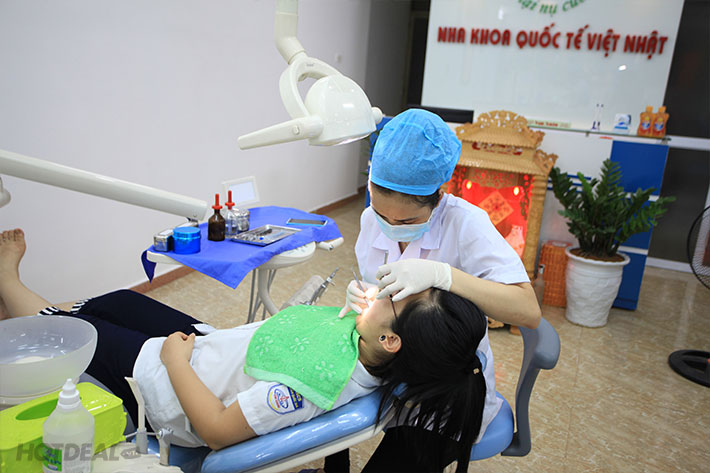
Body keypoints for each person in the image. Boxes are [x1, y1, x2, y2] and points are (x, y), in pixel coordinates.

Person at [0, 228, 487, 468]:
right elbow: (322, 332)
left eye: (394, 296)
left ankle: (9, 286)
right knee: (119, 301)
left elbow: (215, 431)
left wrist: (174, 361)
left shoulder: (305, 387)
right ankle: (37, 305)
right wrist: (355, 307)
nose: (382, 288)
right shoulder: (372, 345)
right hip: (213, 347)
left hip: (169, 384)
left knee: (74, 332)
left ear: (391, 340)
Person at [331, 108, 542, 472]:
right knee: (321, 395)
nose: (391, 226)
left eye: (407, 220)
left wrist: (444, 276)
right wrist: (365, 294)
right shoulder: (369, 220)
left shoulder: (466, 224)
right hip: (393, 361)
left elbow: (528, 310)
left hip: (446, 386)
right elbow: (382, 290)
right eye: (382, 215)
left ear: (438, 196)